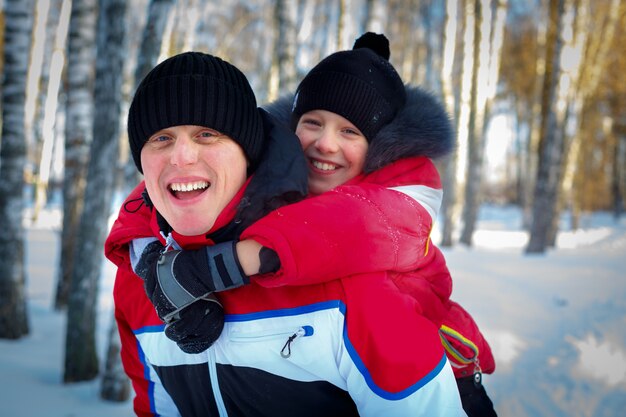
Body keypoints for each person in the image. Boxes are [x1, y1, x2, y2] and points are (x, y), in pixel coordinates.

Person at [130, 33, 497, 416]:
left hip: (445, 380)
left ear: (380, 149)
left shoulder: (400, 198)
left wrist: (215, 268)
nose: (325, 143)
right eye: (313, 122)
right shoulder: (281, 191)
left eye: (349, 132)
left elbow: (343, 229)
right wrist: (153, 254)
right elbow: (158, 192)